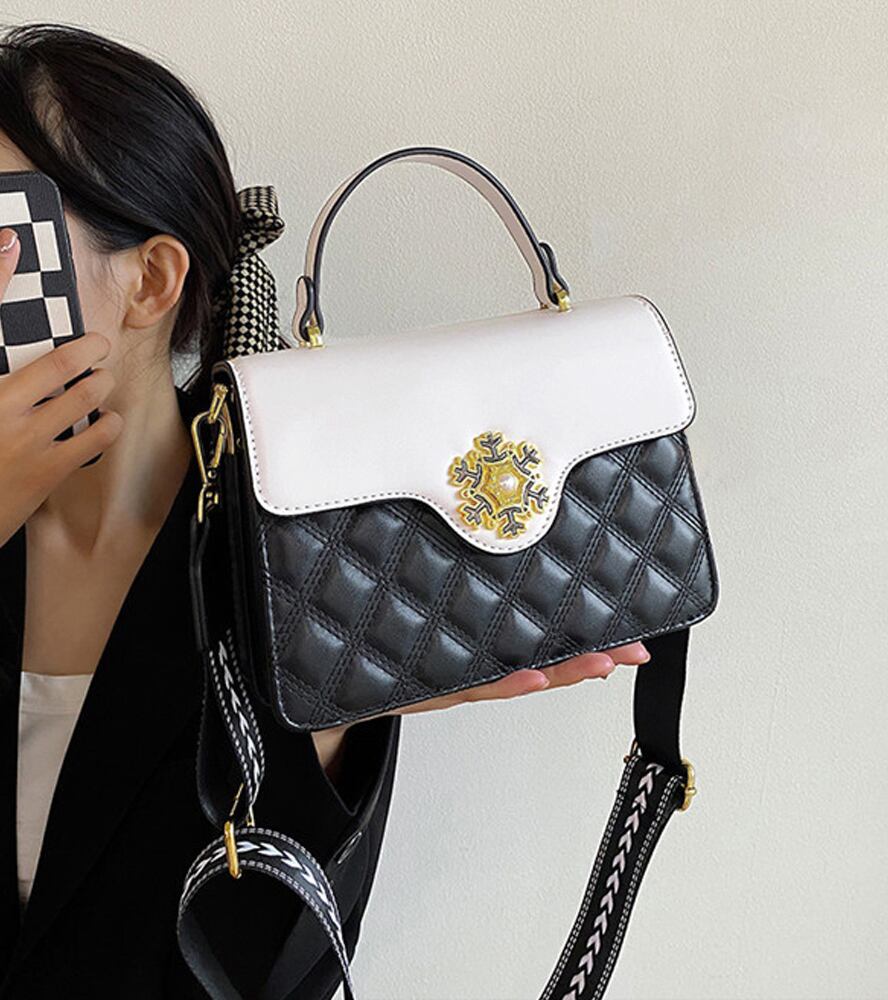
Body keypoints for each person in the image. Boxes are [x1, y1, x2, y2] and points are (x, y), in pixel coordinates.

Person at [0, 22, 651, 1000]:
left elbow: (258, 964)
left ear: (151, 280)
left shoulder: (299, 561)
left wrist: (320, 723)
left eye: (4, 240)